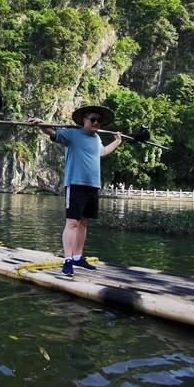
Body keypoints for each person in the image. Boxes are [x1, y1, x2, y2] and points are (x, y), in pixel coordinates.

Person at [28, 105, 122, 276]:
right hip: (75, 184)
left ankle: (78, 257)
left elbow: (102, 152)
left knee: (84, 222)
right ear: (84, 120)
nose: (95, 122)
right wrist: (41, 124)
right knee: (72, 222)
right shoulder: (72, 134)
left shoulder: (97, 139)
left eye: (98, 120)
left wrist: (117, 141)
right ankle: (68, 260)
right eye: (92, 119)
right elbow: (52, 133)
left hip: (93, 185)